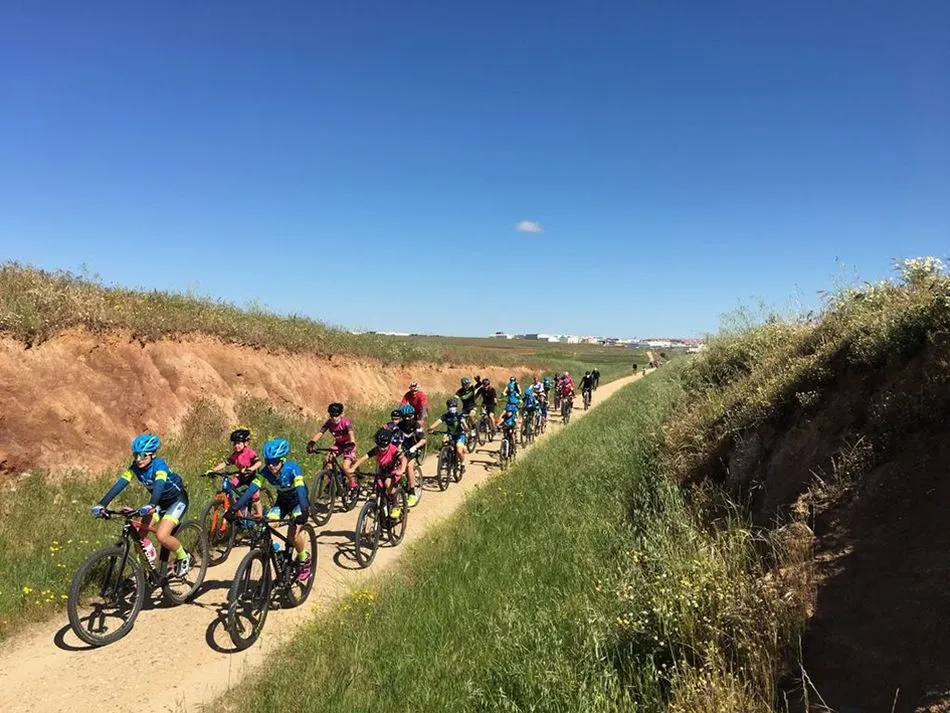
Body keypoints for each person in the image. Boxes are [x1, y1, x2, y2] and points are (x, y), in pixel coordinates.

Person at [92, 434, 192, 576]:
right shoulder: (135, 468)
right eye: (136, 455)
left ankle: (184, 557)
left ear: (153, 454)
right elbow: (120, 484)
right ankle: (143, 572)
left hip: (176, 500)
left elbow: (159, 485)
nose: (138, 459)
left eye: (143, 455)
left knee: (162, 536)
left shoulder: (159, 466)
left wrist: (151, 504)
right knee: (139, 538)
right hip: (158, 502)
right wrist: (102, 504)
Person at [227, 438, 312, 583]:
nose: (272, 466)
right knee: (264, 528)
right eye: (269, 462)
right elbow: (251, 490)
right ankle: (275, 554)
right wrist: (234, 508)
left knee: (294, 533)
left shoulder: (292, 469)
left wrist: (304, 511)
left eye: (276, 462)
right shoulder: (265, 472)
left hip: (298, 502)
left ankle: (304, 559)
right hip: (282, 503)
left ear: (282, 459)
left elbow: (301, 491)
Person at [352, 428, 409, 521]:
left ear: (389, 443)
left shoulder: (393, 450)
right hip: (382, 471)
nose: (382, 449)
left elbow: (404, 459)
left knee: (387, 484)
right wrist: (353, 468)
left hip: (393, 471)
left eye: (384, 446)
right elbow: (364, 457)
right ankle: (381, 514)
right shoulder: (376, 450)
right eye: (380, 446)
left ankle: (396, 505)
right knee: (378, 489)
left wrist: (402, 470)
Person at [206, 428, 264, 519]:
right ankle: (236, 511)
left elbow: (259, 462)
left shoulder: (249, 452)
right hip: (241, 477)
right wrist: (213, 470)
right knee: (229, 488)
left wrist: (251, 469)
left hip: (252, 478)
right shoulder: (235, 455)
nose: (236, 446)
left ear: (245, 443)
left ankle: (260, 515)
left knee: (255, 497)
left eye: (239, 443)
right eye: (235, 443)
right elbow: (225, 463)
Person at [307, 402, 358, 497]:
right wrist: (312, 443)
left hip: (349, 445)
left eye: (336, 415)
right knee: (326, 459)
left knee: (345, 466)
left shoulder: (346, 422)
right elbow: (320, 433)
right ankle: (337, 478)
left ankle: (353, 485)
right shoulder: (329, 423)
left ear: (341, 414)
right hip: (339, 444)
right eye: (332, 415)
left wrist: (352, 443)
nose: (334, 418)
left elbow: (351, 434)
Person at [385, 406, 424, 507]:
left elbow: (423, 440)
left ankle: (412, 493)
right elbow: (392, 433)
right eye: (405, 416)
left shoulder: (416, 425)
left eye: (409, 416)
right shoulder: (400, 425)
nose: (407, 419)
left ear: (413, 415)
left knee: (409, 467)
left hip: (414, 447)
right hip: (403, 447)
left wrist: (415, 447)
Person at [428, 397, 468, 475]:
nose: (452, 408)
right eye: (450, 406)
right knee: (444, 441)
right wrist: (430, 428)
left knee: (459, 450)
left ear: (456, 407)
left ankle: (462, 464)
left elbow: (465, 425)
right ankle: (445, 456)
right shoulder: (445, 416)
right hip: (450, 434)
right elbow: (438, 422)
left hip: (460, 435)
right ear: (447, 407)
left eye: (453, 406)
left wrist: (465, 426)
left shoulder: (460, 416)